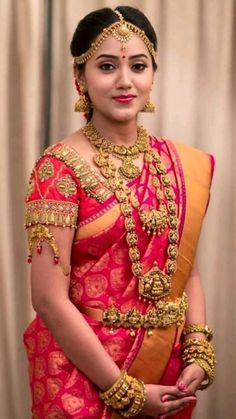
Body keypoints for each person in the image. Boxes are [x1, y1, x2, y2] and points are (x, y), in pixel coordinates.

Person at [24, 6, 216, 419]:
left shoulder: (176, 164)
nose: (125, 81)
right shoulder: (58, 168)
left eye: (139, 66)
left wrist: (197, 346)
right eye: (107, 66)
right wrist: (122, 389)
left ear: (153, 75)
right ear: (80, 78)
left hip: (164, 365)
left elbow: (188, 270)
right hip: (79, 375)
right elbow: (48, 300)